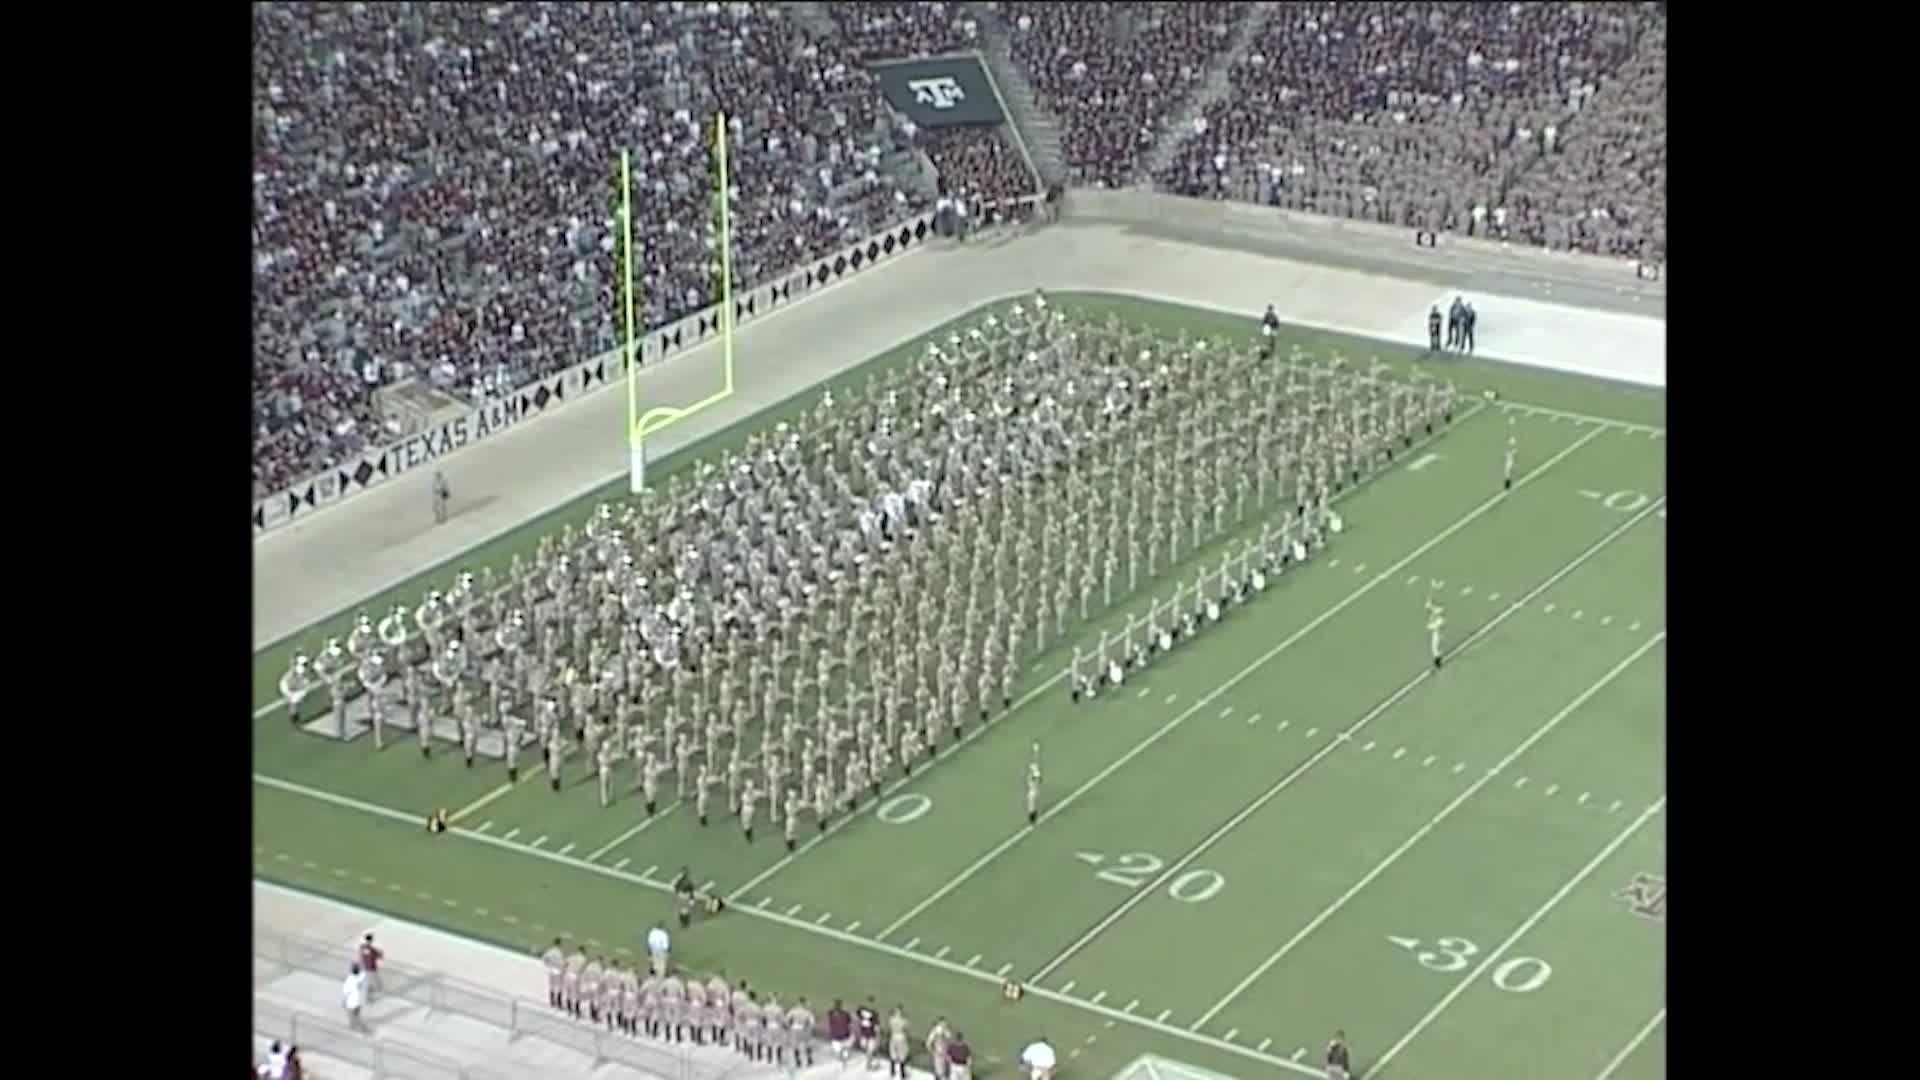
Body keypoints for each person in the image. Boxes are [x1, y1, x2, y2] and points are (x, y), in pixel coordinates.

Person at [341, 963, 368, 1031]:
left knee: (352, 1015)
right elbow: (363, 973)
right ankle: (359, 1025)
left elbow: (345, 992)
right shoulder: (360, 977)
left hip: (351, 1002)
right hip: (359, 1001)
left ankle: (356, 1026)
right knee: (357, 1014)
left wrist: (343, 1001)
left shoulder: (349, 980)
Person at [356, 934, 384, 1000]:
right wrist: (381, 952)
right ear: (371, 940)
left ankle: (360, 986)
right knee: (371, 981)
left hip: (364, 967)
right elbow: (380, 956)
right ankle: (370, 995)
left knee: (365, 979)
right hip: (371, 968)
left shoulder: (362, 947)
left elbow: (360, 955)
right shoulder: (373, 950)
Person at [541, 937, 565, 1008]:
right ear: (559, 943)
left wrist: (548, 965)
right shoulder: (559, 952)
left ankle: (552, 1001)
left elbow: (544, 958)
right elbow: (561, 962)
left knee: (552, 986)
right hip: (558, 970)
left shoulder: (550, 951)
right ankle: (559, 1002)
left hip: (551, 970)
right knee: (559, 987)